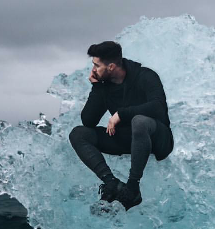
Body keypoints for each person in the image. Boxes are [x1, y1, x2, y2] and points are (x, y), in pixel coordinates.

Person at [69, 41, 173, 210]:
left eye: (97, 65)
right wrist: (96, 88)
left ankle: (132, 188)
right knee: (79, 134)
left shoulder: (145, 76)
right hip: (127, 139)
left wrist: (121, 114)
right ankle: (112, 183)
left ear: (111, 66)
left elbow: (158, 106)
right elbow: (88, 121)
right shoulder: (105, 86)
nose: (93, 69)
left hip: (158, 139)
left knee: (138, 121)